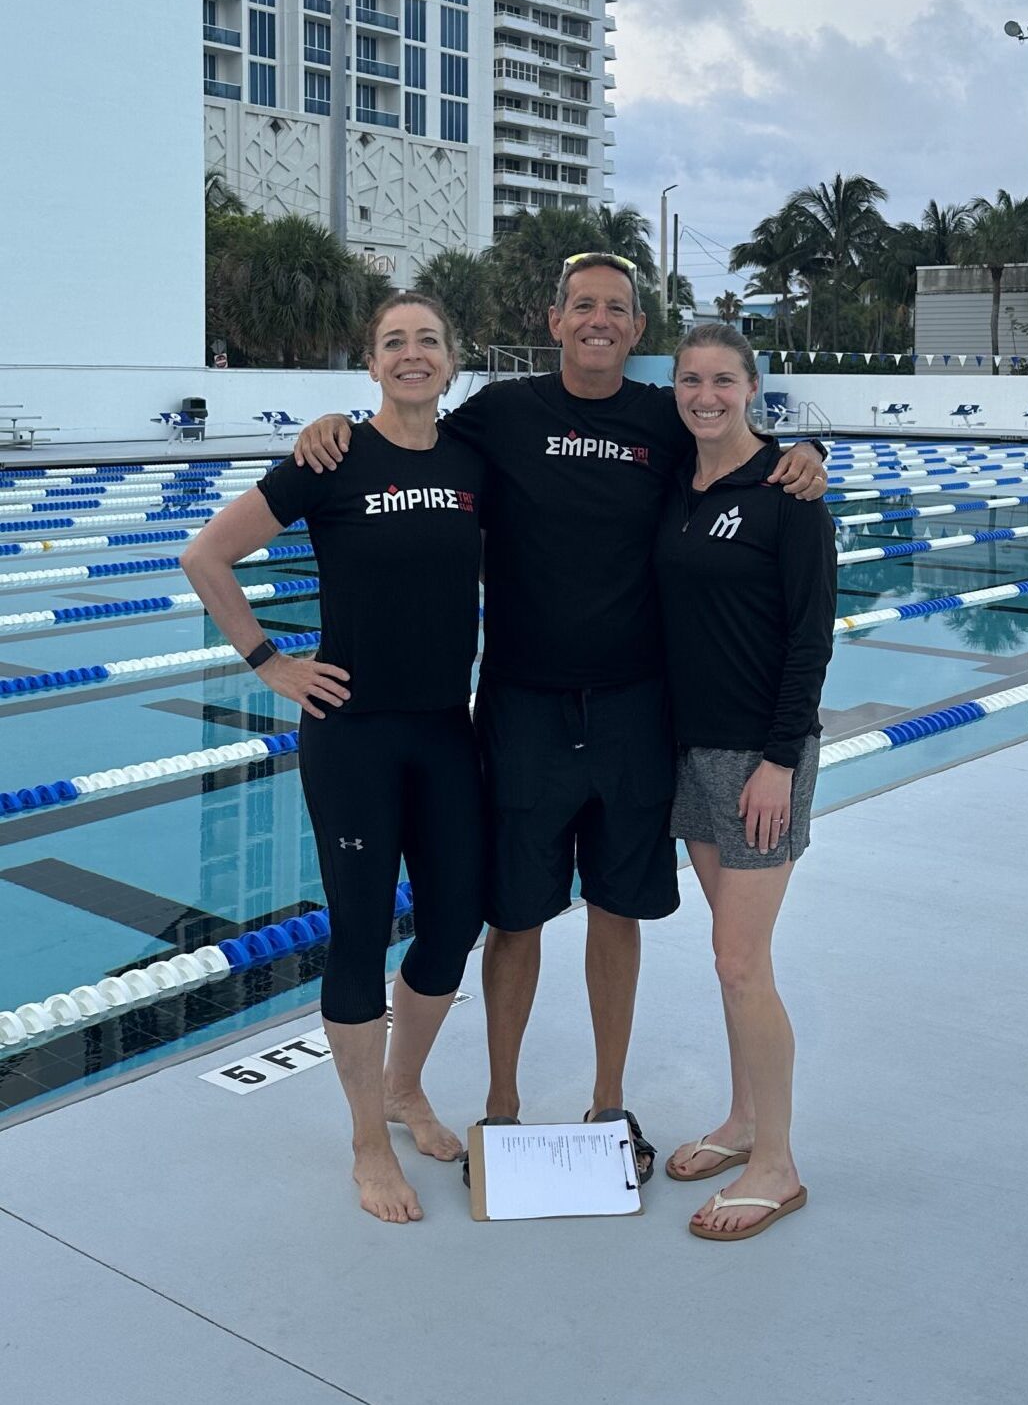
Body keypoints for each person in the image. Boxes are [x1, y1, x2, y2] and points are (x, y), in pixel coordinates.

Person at [293, 255, 828, 1182]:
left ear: (634, 328)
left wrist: (806, 455)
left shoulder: (666, 416)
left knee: (616, 910)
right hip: (522, 707)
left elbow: (735, 434)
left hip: (631, 709)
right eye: (582, 305)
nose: (597, 320)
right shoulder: (503, 413)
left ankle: (606, 1099)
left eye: (615, 309)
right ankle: (501, 1104)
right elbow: (407, 429)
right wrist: (335, 423)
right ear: (554, 320)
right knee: (516, 916)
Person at [182, 294, 486, 1224]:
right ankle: (365, 1140)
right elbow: (207, 555)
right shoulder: (332, 454)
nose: (411, 354)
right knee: (358, 931)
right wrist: (270, 661)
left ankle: (405, 1086)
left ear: (452, 359)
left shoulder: (476, 457)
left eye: (427, 340)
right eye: (394, 341)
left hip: (445, 728)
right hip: (353, 735)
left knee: (452, 923)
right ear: (370, 363)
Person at [656, 323, 836, 1239]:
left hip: (759, 758)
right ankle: (740, 1122)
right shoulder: (675, 483)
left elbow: (809, 638)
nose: (705, 395)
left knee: (738, 961)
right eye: (691, 380)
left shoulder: (786, 494)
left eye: (723, 380)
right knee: (732, 960)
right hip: (689, 752)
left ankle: (778, 1164)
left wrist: (779, 759)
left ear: (752, 387)